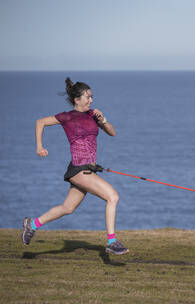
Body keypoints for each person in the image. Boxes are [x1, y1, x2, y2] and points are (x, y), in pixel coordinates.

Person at [21, 77, 129, 255]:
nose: (91, 100)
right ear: (77, 100)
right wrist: (39, 146)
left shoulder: (93, 115)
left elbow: (112, 132)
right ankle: (112, 241)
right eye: (88, 97)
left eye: (92, 97)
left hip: (86, 169)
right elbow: (40, 122)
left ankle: (31, 224)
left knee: (67, 208)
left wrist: (103, 119)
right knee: (113, 196)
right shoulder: (67, 117)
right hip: (80, 169)